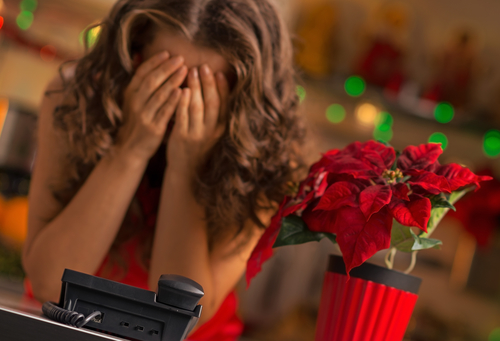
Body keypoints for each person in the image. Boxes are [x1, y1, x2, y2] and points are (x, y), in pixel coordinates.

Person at [21, 0, 304, 339]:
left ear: (243, 93)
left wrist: (185, 167)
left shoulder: (267, 156)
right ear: (133, 55)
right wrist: (130, 149)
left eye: (204, 89)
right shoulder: (74, 98)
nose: (182, 105)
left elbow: (183, 316)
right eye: (165, 79)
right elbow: (48, 284)